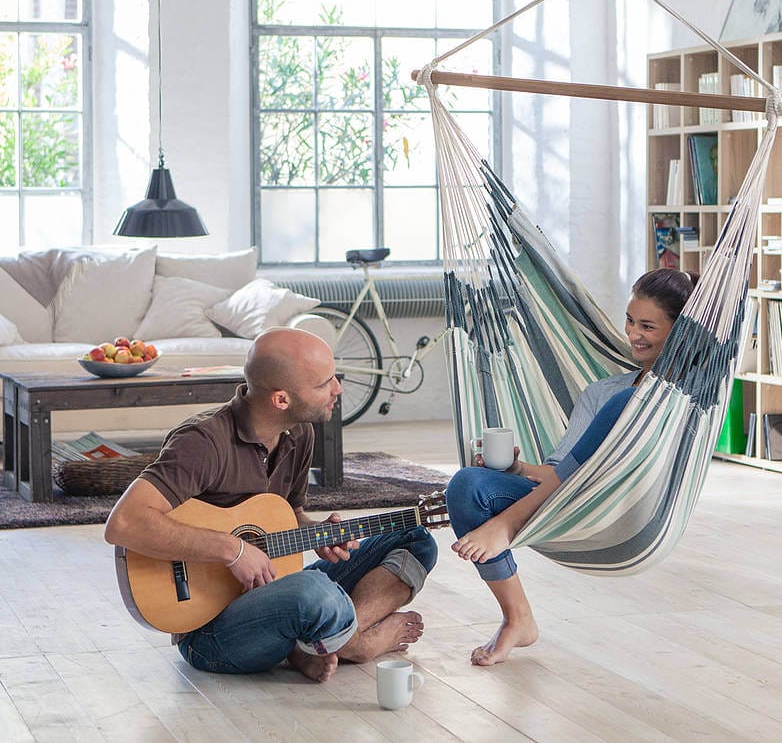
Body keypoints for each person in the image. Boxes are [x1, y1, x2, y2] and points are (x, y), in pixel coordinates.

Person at [105, 327, 438, 683]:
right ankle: (356, 645)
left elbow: (286, 516)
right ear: (281, 399)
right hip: (210, 631)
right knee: (315, 593)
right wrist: (233, 549)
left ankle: (319, 641)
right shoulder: (202, 443)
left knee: (415, 539)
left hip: (277, 590)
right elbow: (124, 524)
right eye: (325, 382)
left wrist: (317, 533)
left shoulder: (299, 431)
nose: (338, 389)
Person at [445, 267, 699, 666]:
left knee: (626, 406)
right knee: (467, 486)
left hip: (635, 516)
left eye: (648, 326)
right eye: (631, 321)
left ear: (680, 332)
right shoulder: (604, 392)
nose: (634, 334)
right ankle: (519, 619)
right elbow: (559, 475)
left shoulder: (689, 394)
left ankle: (504, 526)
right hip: (574, 506)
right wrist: (514, 470)